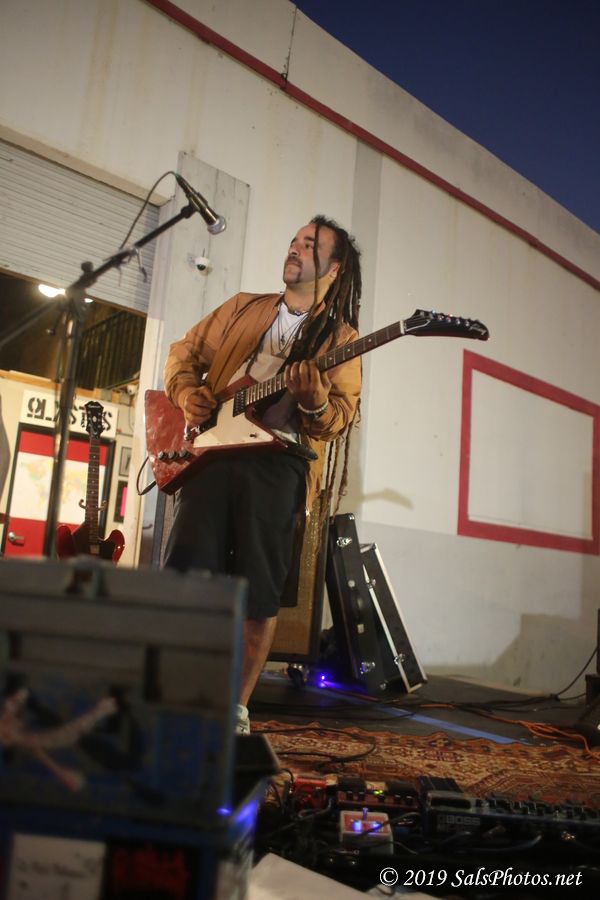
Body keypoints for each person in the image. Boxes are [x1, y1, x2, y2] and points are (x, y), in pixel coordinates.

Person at [162, 215, 362, 733]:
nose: (294, 248)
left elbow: (339, 417)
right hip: (212, 455)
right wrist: (186, 394)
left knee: (258, 593)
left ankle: (235, 710)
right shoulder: (242, 308)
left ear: (334, 269)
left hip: (278, 466)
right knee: (186, 577)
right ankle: (175, 695)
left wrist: (315, 401)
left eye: (310, 245)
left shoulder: (341, 339)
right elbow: (184, 353)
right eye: (294, 240)